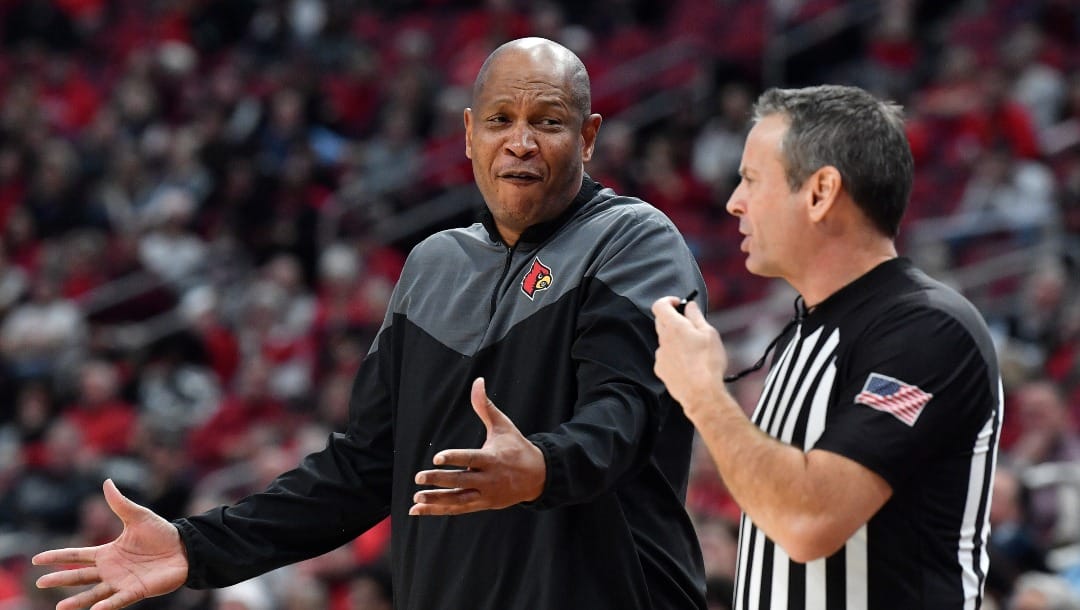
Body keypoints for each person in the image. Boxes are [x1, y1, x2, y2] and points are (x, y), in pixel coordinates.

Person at [32, 37, 708, 610]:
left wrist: (543, 466)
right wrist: (195, 545)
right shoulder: (433, 267)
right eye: (501, 119)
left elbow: (624, 412)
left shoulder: (634, 240)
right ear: (470, 135)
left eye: (549, 121)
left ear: (587, 137)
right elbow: (363, 468)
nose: (521, 143)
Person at [652, 85, 1002, 609]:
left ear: (820, 192)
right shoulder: (805, 332)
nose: (733, 202)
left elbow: (809, 521)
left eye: (750, 180)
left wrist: (702, 392)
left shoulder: (928, 329)